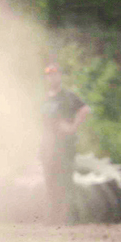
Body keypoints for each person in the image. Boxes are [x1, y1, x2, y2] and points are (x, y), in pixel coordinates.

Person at [41, 64, 91, 222]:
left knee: (65, 180)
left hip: (65, 145)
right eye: (49, 75)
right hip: (48, 146)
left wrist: (73, 127)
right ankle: (53, 216)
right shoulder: (44, 98)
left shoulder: (68, 96)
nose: (52, 78)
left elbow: (85, 110)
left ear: (60, 77)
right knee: (50, 181)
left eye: (55, 74)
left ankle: (70, 216)